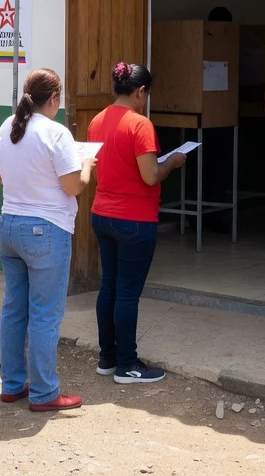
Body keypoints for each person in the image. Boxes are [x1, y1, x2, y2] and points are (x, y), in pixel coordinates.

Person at [0, 68, 94, 412]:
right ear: (54, 98)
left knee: (13, 308)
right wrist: (87, 165)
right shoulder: (56, 132)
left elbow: (3, 178)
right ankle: (44, 392)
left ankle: (11, 384)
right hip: (45, 229)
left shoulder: (7, 126)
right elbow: (73, 187)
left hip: (8, 225)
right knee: (45, 315)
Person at [86, 62, 187, 384]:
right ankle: (127, 364)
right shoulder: (140, 125)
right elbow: (150, 174)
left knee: (110, 287)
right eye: (146, 94)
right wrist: (171, 161)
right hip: (134, 219)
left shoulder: (97, 120)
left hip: (102, 212)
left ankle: (108, 357)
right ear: (140, 91)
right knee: (127, 294)